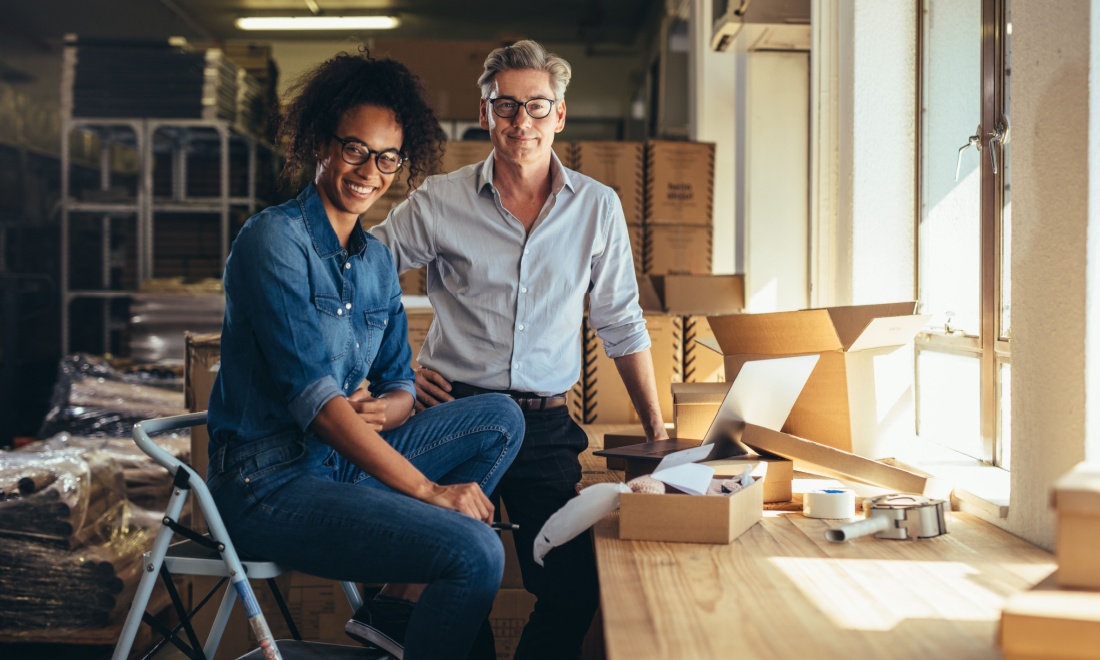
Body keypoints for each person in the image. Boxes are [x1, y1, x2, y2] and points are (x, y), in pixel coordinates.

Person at [204, 50, 525, 660]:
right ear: (322, 141)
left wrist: (390, 407)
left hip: (339, 462)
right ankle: (406, 615)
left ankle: (395, 611)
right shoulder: (273, 242)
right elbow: (317, 403)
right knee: (476, 550)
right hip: (267, 483)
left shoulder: (376, 259)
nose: (369, 171)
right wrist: (431, 493)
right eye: (354, 149)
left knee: (500, 418)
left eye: (386, 158)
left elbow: (399, 379)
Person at [371, 39, 668, 660]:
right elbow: (359, 279)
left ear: (560, 115)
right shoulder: (441, 199)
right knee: (457, 581)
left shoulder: (597, 208)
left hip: (542, 423)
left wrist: (657, 435)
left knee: (572, 585)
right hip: (454, 417)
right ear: (485, 115)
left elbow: (620, 322)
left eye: (537, 107)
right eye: (506, 107)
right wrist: (394, 373)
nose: (521, 123)